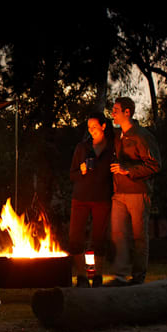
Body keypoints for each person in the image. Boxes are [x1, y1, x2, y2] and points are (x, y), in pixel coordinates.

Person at [106, 97, 161, 287]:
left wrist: (127, 170)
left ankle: (138, 278)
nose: (112, 113)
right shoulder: (118, 136)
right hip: (119, 193)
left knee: (139, 236)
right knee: (117, 234)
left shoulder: (142, 136)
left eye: (116, 110)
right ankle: (120, 275)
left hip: (138, 192)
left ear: (127, 112)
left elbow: (155, 165)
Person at [69, 112, 114, 288]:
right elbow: (71, 175)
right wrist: (81, 171)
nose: (91, 130)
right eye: (89, 127)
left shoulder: (111, 148)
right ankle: (81, 276)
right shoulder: (82, 148)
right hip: (80, 198)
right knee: (75, 237)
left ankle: (97, 276)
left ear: (103, 126)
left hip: (101, 198)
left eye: (94, 126)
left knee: (99, 238)